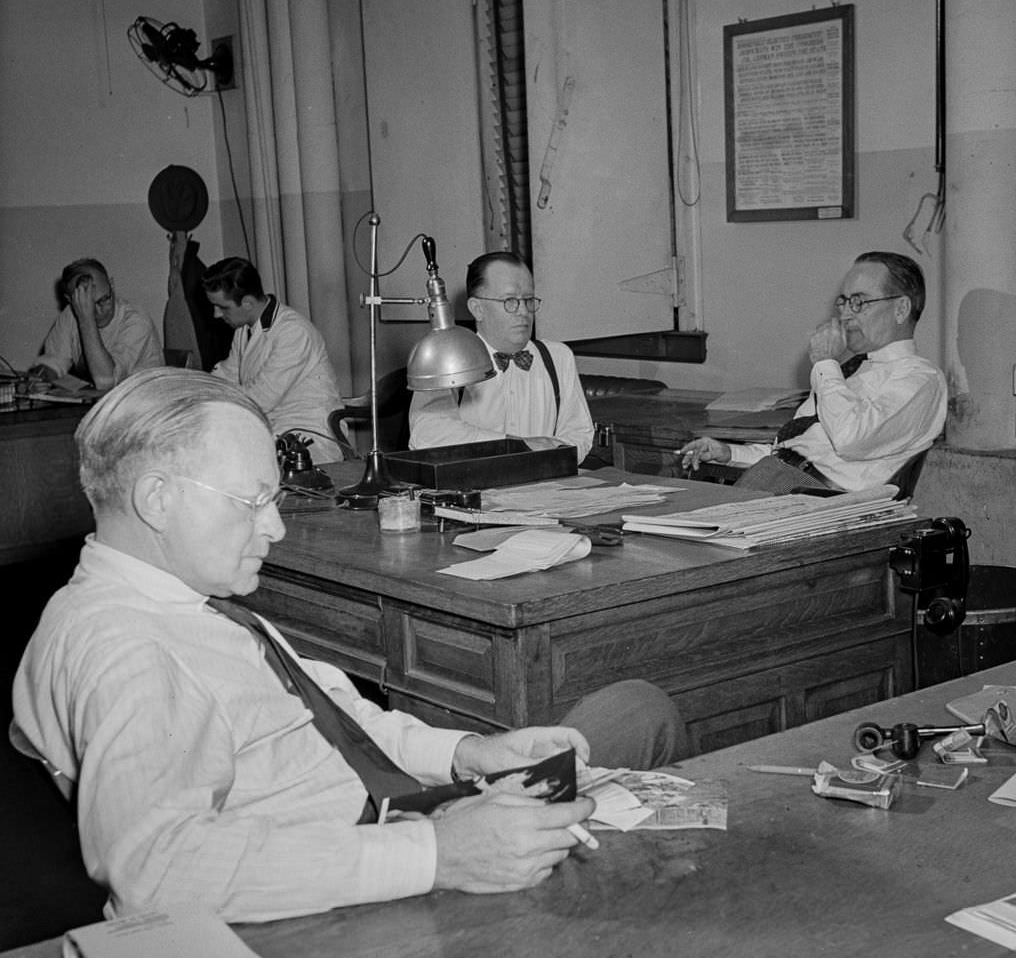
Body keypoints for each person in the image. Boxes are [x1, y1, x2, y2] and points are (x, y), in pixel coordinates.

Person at [10, 369, 684, 923]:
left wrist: (470, 753)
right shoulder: (128, 649)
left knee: (637, 708)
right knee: (645, 864)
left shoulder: (180, 602)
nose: (274, 526)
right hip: (357, 886)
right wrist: (440, 853)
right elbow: (152, 873)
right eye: (250, 502)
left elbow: (338, 717)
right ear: (157, 498)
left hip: (396, 816)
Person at [679, 252, 947, 495]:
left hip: (821, 500)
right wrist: (730, 453)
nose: (844, 315)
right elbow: (801, 448)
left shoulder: (920, 379)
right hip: (780, 480)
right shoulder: (853, 370)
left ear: (900, 309)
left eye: (859, 302)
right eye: (842, 302)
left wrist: (825, 363)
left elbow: (850, 440)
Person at [408, 251, 595, 462]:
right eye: (510, 301)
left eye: (528, 300)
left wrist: (552, 454)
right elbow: (427, 434)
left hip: (544, 485)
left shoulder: (558, 357)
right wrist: (512, 446)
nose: (523, 311)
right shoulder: (449, 360)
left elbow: (580, 432)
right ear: (477, 309)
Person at [203, 257, 342, 464]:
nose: (216, 314)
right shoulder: (244, 329)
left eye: (222, 307)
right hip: (270, 428)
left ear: (248, 303)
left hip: (306, 435)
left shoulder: (293, 332)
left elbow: (261, 397)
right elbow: (227, 374)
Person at [28, 258, 163, 390]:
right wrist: (43, 377)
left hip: (145, 405)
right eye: (88, 305)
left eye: (104, 299)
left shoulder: (136, 321)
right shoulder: (71, 314)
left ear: (112, 285)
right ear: (70, 300)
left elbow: (106, 381)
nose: (98, 312)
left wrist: (86, 319)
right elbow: (54, 361)